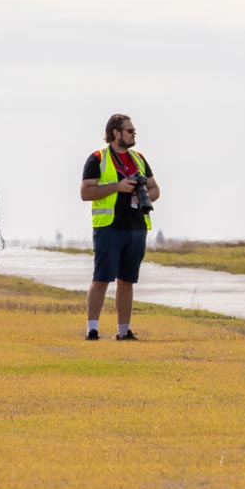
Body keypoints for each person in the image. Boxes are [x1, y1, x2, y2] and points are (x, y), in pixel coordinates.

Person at [79, 114, 159, 341]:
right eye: (130, 131)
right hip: (108, 228)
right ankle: (92, 329)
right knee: (102, 279)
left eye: (134, 131)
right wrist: (118, 187)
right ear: (116, 133)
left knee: (127, 281)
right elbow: (85, 192)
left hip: (136, 227)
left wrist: (141, 196)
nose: (134, 135)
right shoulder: (97, 158)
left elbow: (155, 189)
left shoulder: (139, 158)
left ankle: (124, 331)